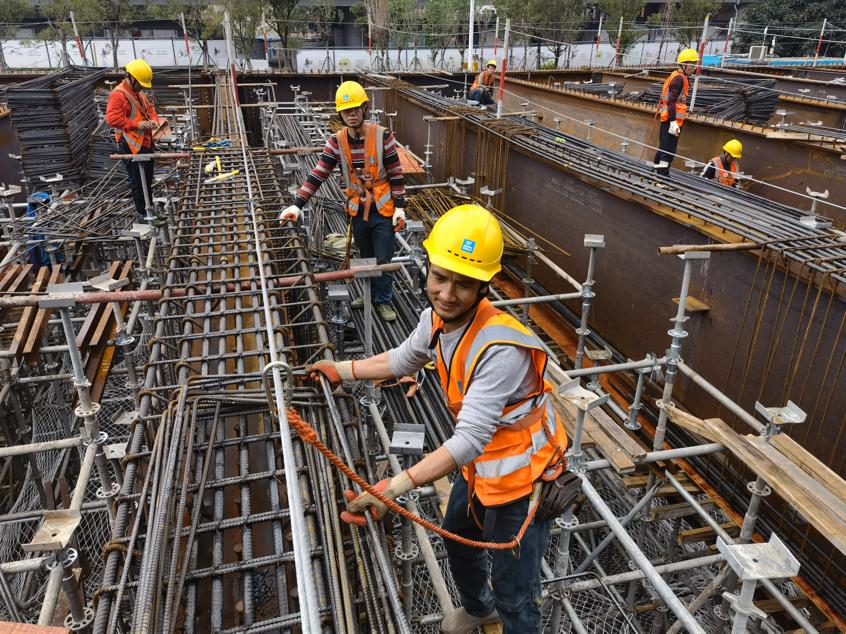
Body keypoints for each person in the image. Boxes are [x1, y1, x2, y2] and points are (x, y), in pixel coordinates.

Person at [306, 204, 570, 634]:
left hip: (523, 481)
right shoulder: (436, 320)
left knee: (515, 590)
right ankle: (479, 608)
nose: (447, 294)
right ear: (427, 269)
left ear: (484, 286)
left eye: (463, 284)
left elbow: (468, 439)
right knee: (457, 537)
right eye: (440, 277)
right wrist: (342, 369)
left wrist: (393, 488)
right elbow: (403, 358)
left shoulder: (500, 349)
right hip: (482, 466)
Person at [279, 80, 405, 322]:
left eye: (355, 109)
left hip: (383, 209)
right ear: (340, 114)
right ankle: (367, 294)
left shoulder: (383, 136)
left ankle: (382, 300)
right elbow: (318, 174)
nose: (351, 114)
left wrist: (400, 207)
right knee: (364, 254)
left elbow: (396, 173)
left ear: (364, 109)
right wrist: (297, 204)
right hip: (358, 209)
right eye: (346, 111)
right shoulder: (336, 142)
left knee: (383, 256)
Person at [105, 59, 159, 219]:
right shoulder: (118, 94)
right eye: (141, 83)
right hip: (131, 144)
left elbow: (150, 108)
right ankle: (143, 213)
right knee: (138, 180)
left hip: (145, 142)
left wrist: (154, 120)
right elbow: (112, 119)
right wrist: (137, 124)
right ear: (131, 77)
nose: (143, 87)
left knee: (147, 179)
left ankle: (150, 209)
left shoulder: (138, 93)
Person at [653, 48, 699, 177]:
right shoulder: (679, 79)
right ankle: (661, 176)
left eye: (695, 65)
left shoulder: (679, 77)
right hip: (671, 121)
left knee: (663, 148)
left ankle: (656, 171)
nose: (694, 68)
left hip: (670, 120)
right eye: (692, 65)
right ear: (684, 65)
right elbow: (671, 102)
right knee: (668, 151)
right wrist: (673, 122)